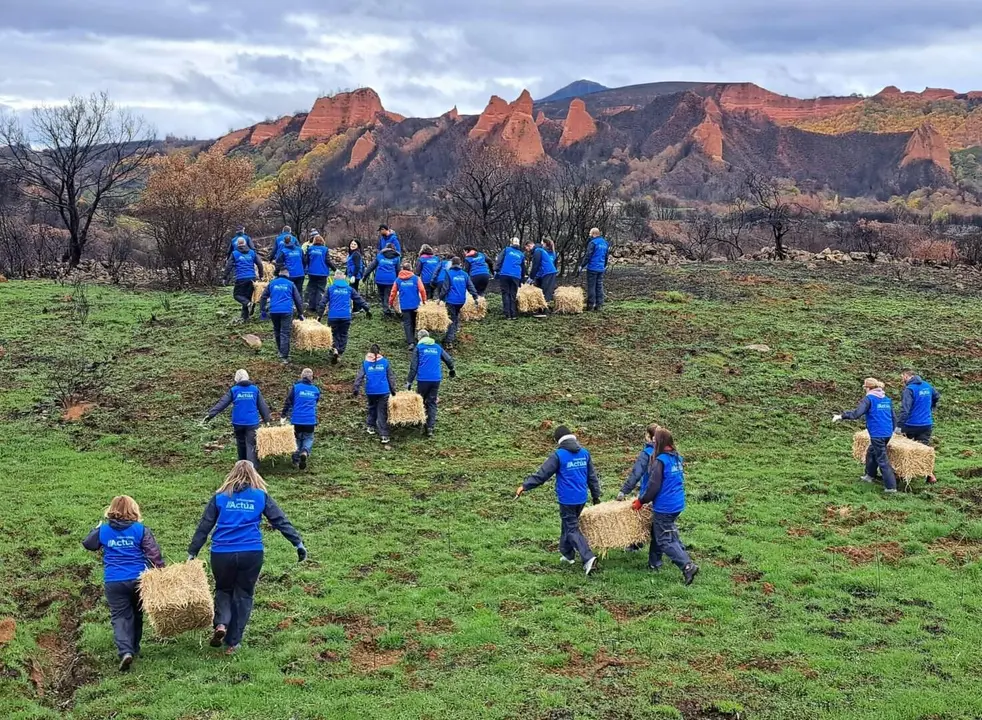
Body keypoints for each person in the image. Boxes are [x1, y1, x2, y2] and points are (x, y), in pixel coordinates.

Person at [187, 461, 306, 655]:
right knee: (243, 594)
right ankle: (233, 643)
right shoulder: (260, 496)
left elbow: (205, 525)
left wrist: (193, 552)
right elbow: (279, 520)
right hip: (251, 552)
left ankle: (221, 625)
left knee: (223, 590)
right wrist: (297, 543)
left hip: (222, 553)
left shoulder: (220, 497)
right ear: (254, 475)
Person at [82, 496, 165, 672]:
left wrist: (95, 529)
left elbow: (88, 544)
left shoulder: (103, 530)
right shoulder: (140, 529)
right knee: (137, 614)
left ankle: (125, 651)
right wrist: (162, 572)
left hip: (114, 581)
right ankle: (134, 648)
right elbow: (154, 554)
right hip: (139, 580)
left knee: (120, 617)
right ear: (134, 510)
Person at [515, 425, 601, 576]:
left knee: (572, 528)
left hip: (567, 499)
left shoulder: (559, 455)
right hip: (581, 498)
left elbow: (543, 475)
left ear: (558, 440)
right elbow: (592, 477)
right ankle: (568, 554)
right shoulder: (584, 453)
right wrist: (595, 496)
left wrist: (525, 486)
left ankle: (588, 558)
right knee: (567, 524)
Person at [631, 428, 699, 584]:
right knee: (664, 531)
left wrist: (641, 501)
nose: (653, 442)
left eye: (655, 439)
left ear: (659, 442)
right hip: (677, 502)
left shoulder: (660, 461)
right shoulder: (676, 457)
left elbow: (653, 487)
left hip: (665, 506)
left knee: (664, 540)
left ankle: (687, 566)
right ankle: (654, 563)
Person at [833, 378, 898, 494]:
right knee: (871, 451)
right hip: (887, 433)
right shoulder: (886, 399)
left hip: (877, 434)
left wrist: (842, 416)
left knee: (882, 460)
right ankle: (870, 475)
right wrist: (892, 430)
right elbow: (893, 417)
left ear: (868, 388)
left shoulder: (869, 399)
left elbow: (857, 414)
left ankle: (891, 487)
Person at [203, 369, 272, 468]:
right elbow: (262, 406)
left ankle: (241, 467)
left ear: (236, 379)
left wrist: (210, 415)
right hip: (252, 423)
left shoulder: (234, 390)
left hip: (238, 423)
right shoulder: (254, 390)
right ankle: (253, 469)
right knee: (251, 444)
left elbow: (222, 403)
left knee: (241, 444)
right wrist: (267, 420)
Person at [406, 329, 455, 438]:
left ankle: (420, 423)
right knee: (432, 402)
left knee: (421, 401)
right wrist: (451, 369)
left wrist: (409, 381)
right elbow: (448, 359)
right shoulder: (437, 347)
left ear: (419, 338)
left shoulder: (419, 348)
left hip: (423, 379)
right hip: (435, 379)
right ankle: (430, 428)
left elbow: (414, 367)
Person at [318, 270, 371, 363]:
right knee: (343, 334)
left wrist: (319, 315)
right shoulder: (349, 289)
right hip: (345, 316)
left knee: (333, 334)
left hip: (333, 316)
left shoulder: (330, 289)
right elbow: (358, 299)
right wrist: (367, 309)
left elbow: (322, 303)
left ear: (334, 279)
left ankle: (334, 348)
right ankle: (340, 352)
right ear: (344, 279)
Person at [899, 368, 940, 484]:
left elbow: (905, 410)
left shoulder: (909, 389)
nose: (902, 380)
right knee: (923, 450)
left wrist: (899, 426)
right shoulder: (927, 386)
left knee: (905, 451)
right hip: (926, 424)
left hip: (910, 425)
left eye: (902, 377)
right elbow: (936, 396)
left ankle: (901, 474)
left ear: (907, 376)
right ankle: (930, 475)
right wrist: (931, 407)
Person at [353, 343, 398, 448]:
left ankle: (370, 426)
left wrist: (356, 389)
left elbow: (359, 377)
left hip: (371, 391)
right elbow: (390, 377)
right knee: (382, 412)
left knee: (372, 407)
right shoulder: (385, 362)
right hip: (383, 391)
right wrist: (393, 390)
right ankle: (384, 435)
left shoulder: (365, 363)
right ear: (379, 351)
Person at [258, 268, 305, 363]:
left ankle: (280, 351)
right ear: (287, 275)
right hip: (286, 311)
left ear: (279, 274)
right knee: (285, 332)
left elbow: (263, 297)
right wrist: (300, 313)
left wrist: (263, 310)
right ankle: (284, 356)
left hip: (274, 311)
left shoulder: (272, 283)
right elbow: (298, 300)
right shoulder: (290, 284)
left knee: (277, 330)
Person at [282, 368, 321, 469]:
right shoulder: (316, 390)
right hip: (310, 420)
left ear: (301, 376)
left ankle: (296, 460)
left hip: (297, 419)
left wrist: (283, 415)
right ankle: (304, 451)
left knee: (296, 438)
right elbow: (316, 401)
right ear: (311, 378)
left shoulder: (296, 388)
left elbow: (288, 401)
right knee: (308, 437)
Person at [440, 257, 478, 348]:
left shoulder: (449, 274)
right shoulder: (465, 274)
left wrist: (440, 298)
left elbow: (445, 288)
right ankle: (455, 331)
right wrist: (475, 296)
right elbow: (470, 286)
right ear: (460, 263)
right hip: (461, 301)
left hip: (451, 300)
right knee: (456, 316)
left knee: (451, 319)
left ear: (452, 264)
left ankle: (449, 341)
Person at [223, 237, 264, 322]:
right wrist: (261, 275)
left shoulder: (235, 253)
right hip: (252, 278)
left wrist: (225, 277)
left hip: (241, 278)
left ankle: (248, 305)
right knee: (246, 297)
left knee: (237, 295)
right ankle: (245, 318)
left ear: (237, 245)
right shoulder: (252, 253)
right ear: (245, 244)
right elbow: (260, 263)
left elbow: (228, 266)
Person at [391, 263, 428, 348]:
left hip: (404, 305)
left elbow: (393, 292)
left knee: (407, 323)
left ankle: (410, 342)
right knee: (414, 321)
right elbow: (422, 290)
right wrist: (424, 301)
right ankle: (413, 337)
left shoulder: (398, 280)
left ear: (402, 269)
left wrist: (390, 302)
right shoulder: (416, 278)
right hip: (415, 304)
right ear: (411, 269)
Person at [364, 242, 401, 318]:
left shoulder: (380, 256)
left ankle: (385, 309)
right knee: (387, 295)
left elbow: (371, 266)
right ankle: (386, 311)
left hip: (379, 279)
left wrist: (365, 275)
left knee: (382, 295)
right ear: (394, 249)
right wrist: (399, 281)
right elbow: (398, 270)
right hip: (390, 280)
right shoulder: (396, 258)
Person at [303, 231, 337, 313]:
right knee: (320, 290)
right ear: (322, 241)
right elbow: (328, 261)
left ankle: (311, 307)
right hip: (322, 273)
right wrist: (335, 269)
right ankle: (319, 306)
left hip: (312, 273)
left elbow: (305, 260)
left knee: (312, 289)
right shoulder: (325, 250)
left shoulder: (310, 248)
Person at [494, 238, 526, 320]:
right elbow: (523, 267)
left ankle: (507, 314)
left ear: (511, 243)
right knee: (513, 294)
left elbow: (499, 260)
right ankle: (513, 314)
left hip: (505, 274)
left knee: (505, 293)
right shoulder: (521, 254)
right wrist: (522, 278)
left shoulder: (506, 250)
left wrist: (496, 270)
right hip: (516, 276)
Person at [581, 228, 609, 311]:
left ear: (593, 234)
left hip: (592, 267)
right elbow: (606, 256)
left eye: (590, 233)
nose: (589, 235)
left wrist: (582, 265)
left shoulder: (592, 243)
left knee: (591, 287)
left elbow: (588, 255)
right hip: (600, 268)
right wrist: (604, 265)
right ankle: (599, 305)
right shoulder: (605, 243)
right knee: (599, 286)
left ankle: (590, 305)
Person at [526, 239, 559, 303]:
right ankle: (541, 308)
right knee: (541, 290)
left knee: (546, 292)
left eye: (526, 248)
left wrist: (531, 277)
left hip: (548, 273)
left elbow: (536, 265)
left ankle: (545, 309)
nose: (527, 250)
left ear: (529, 245)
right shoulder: (538, 251)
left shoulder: (538, 251)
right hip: (544, 273)